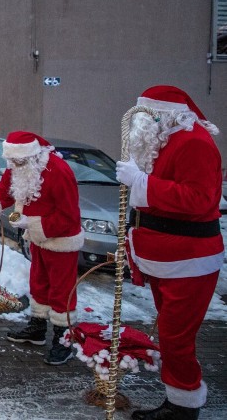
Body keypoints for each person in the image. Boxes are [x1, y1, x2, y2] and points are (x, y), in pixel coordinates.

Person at [114, 86, 223, 420]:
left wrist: (141, 183)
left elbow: (200, 199)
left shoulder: (194, 143)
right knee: (171, 335)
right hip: (168, 261)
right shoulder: (161, 142)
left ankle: (183, 407)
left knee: (176, 339)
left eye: (148, 114)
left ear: (168, 114)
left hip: (188, 261)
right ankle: (178, 400)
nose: (142, 121)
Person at [0, 131, 82, 365]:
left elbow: (68, 216)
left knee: (61, 291)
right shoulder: (20, 165)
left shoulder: (59, 172)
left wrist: (32, 223)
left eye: (18, 162)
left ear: (33, 156)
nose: (13, 166)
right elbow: (5, 189)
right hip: (37, 238)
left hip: (62, 240)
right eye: (10, 161)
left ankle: (64, 339)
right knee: (39, 283)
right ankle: (37, 328)